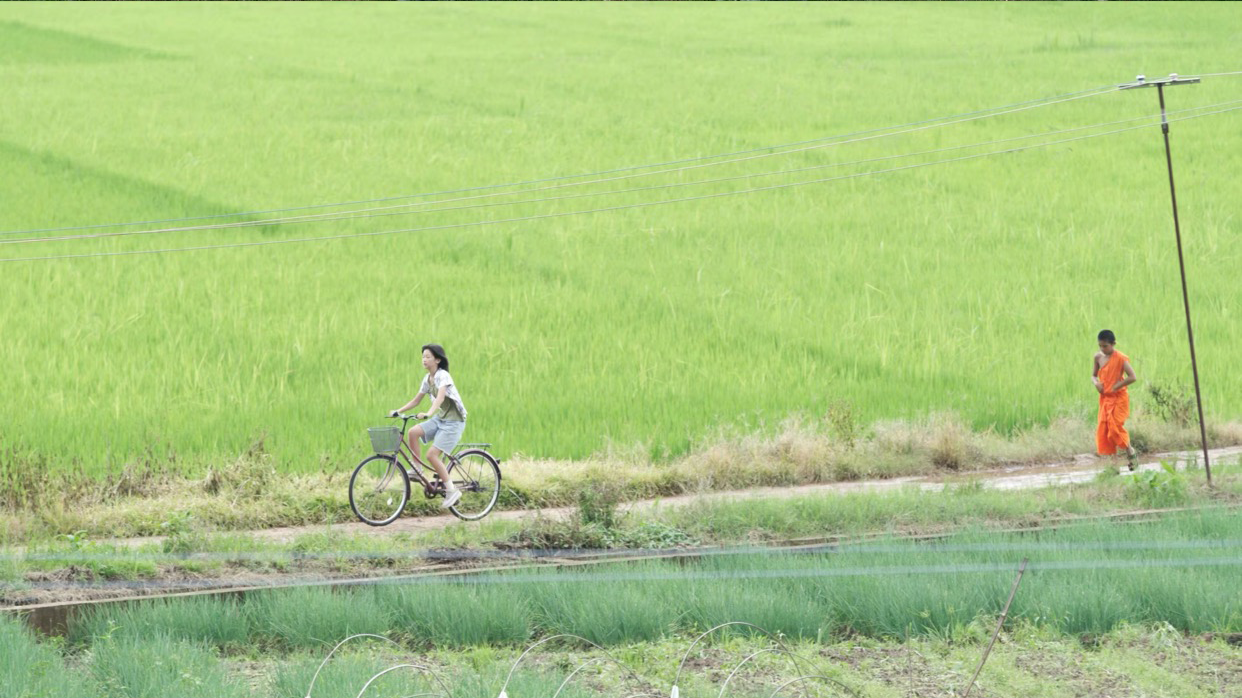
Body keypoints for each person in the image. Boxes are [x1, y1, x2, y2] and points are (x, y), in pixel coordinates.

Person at [390, 344, 468, 508]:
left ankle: (452, 491)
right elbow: (416, 400)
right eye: (423, 357)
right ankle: (417, 470)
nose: (424, 360)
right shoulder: (427, 379)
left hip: (454, 421)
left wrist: (428, 413)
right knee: (413, 432)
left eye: (428, 357)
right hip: (441, 418)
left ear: (437, 360)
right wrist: (398, 410)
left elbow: (440, 398)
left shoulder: (443, 376)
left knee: (432, 455)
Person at [1092, 329, 1138, 470]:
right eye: (1100, 346)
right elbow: (1093, 376)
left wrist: (1116, 386)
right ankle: (1114, 465)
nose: (1102, 349)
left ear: (1113, 344)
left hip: (1119, 398)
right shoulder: (1098, 358)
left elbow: (1132, 377)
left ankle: (1130, 451)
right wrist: (1097, 384)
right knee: (1105, 430)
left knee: (1115, 428)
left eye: (1105, 346)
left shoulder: (1121, 358)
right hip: (1105, 398)